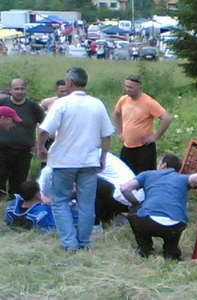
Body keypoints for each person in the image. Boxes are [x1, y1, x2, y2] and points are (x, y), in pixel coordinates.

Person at [37, 67, 114, 251]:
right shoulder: (97, 104)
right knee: (86, 203)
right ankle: (84, 241)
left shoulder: (62, 104)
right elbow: (106, 136)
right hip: (88, 161)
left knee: (60, 201)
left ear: (70, 82)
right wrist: (102, 157)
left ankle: (69, 242)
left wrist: (40, 147)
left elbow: (44, 130)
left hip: (64, 161)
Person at [121, 153, 197, 261]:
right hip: (175, 226)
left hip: (147, 222)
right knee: (174, 224)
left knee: (134, 211)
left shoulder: (147, 174)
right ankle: (171, 252)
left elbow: (125, 188)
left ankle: (145, 249)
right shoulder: (182, 179)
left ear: (163, 165)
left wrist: (136, 204)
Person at [38, 151, 145, 226]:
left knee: (88, 184)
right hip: (124, 196)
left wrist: (55, 199)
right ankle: (111, 217)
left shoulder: (90, 158)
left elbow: (74, 188)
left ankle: (94, 224)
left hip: (127, 200)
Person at [113, 75, 173, 174]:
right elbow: (116, 114)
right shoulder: (123, 100)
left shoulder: (148, 102)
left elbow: (167, 118)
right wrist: (119, 132)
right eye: (126, 86)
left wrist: (155, 137)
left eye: (130, 87)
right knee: (126, 175)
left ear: (139, 87)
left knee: (145, 176)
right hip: (127, 147)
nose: (127, 89)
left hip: (144, 148)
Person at [0, 79, 45, 197]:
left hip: (23, 152)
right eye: (16, 89)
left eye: (22, 88)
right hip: (2, 150)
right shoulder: (2, 103)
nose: (19, 91)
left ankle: (16, 207)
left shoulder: (33, 106)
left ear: (26, 90)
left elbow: (45, 125)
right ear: (10, 90)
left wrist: (39, 144)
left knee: (19, 185)